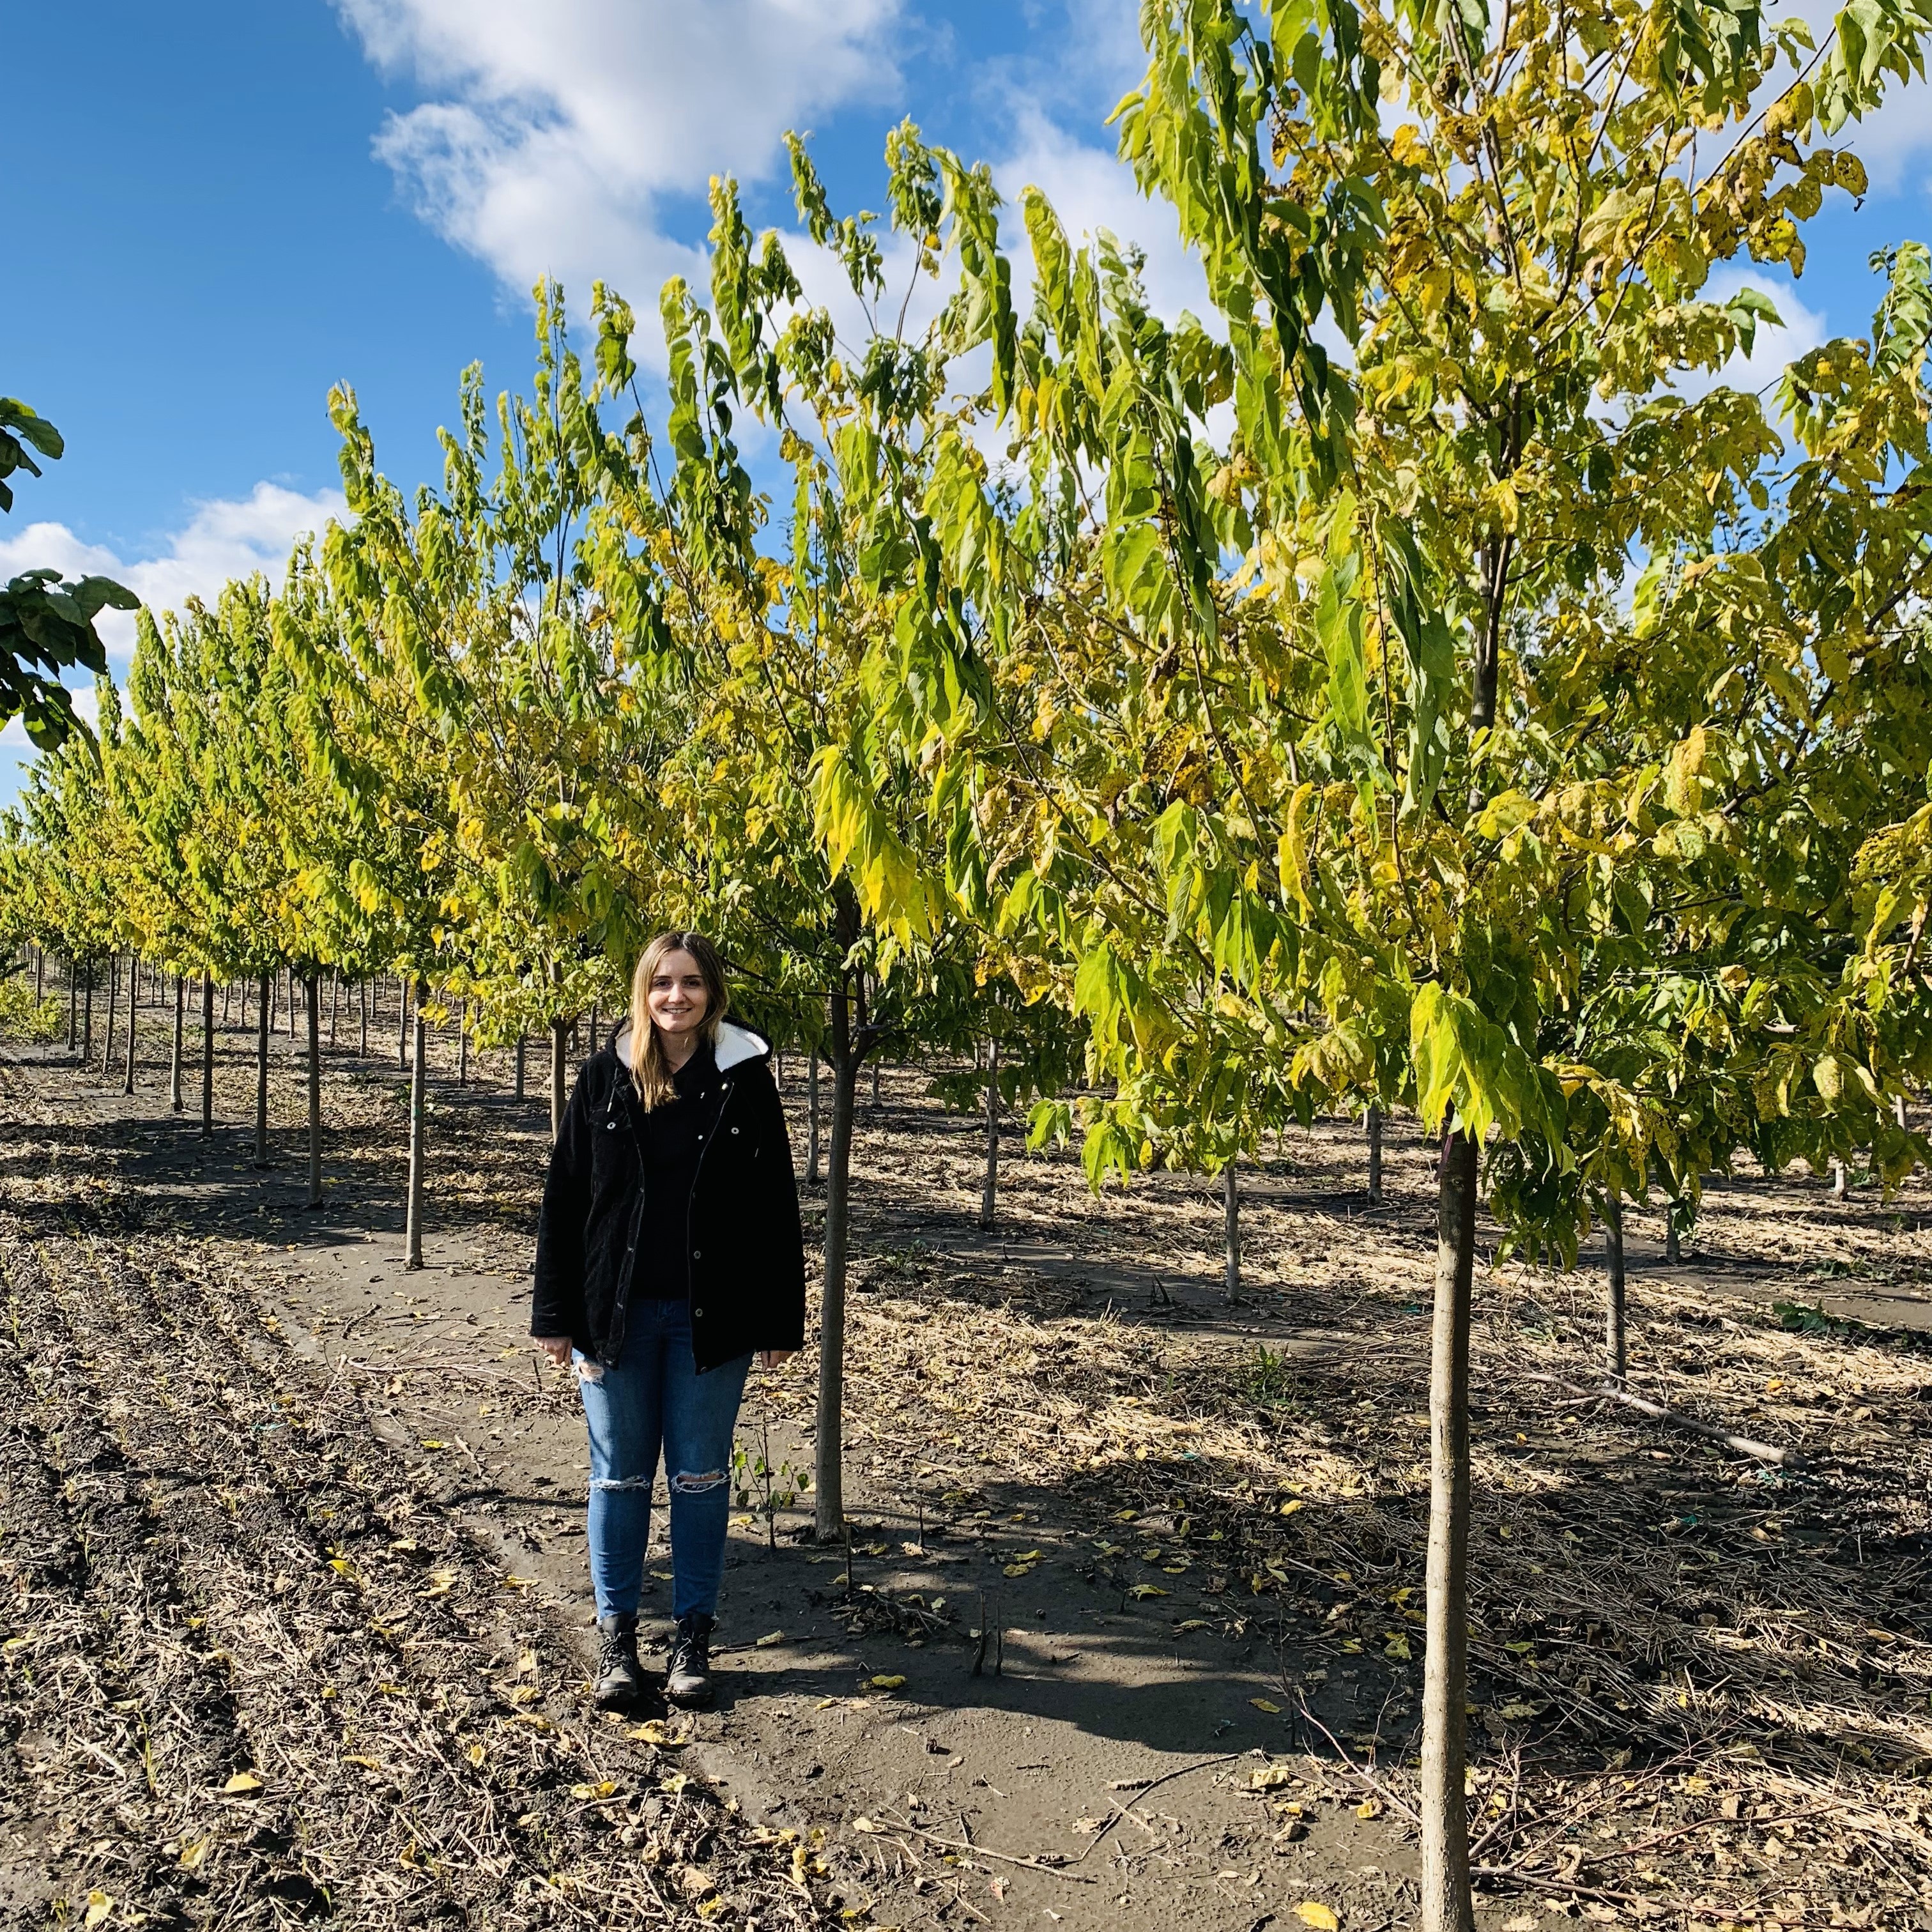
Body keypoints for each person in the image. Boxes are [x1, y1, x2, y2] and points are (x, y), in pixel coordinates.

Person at [531, 931, 804, 1710]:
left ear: (712, 994)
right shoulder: (603, 1080)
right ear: (642, 995)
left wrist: (782, 1320)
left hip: (708, 1323)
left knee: (698, 1476)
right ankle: (616, 1641)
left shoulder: (745, 1083)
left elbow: (774, 1208)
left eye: (689, 984)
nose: (675, 998)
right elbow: (566, 1200)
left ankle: (692, 1637)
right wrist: (554, 1314)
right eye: (661, 984)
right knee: (617, 1476)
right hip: (611, 1316)